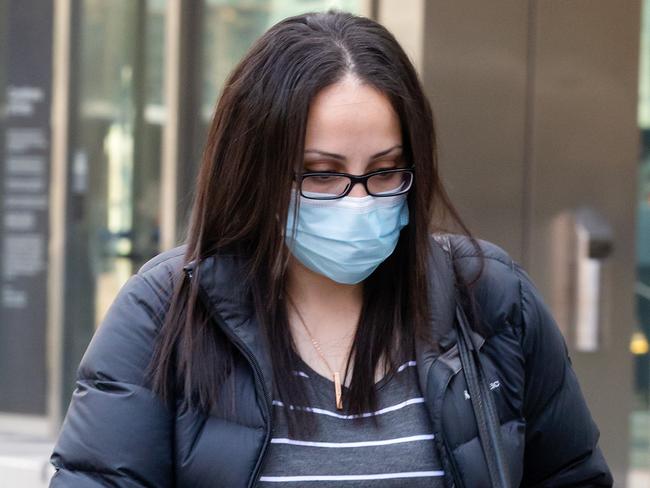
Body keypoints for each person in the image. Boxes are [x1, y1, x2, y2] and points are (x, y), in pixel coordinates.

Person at [49, 9, 613, 488]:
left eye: (386, 171)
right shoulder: (166, 312)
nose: (359, 200)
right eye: (322, 174)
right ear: (258, 171)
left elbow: (573, 475)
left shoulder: (491, 299)